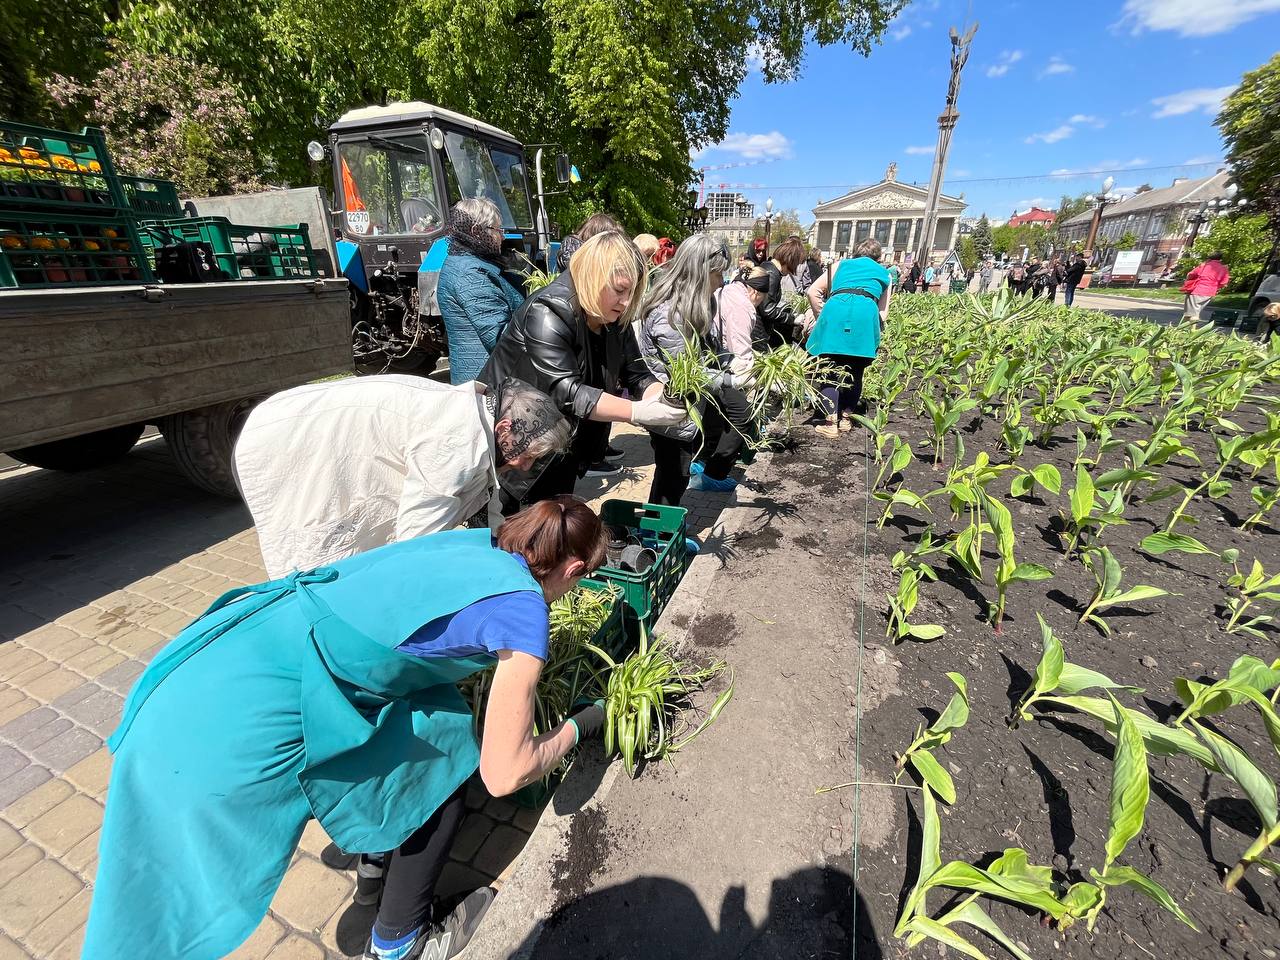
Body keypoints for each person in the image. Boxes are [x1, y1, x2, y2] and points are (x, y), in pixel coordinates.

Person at [83, 498, 610, 960]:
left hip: (221, 656)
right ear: (574, 568)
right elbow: (505, 772)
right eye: (581, 581)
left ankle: (374, 868)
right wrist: (580, 725)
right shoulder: (523, 610)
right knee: (440, 772)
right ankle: (400, 944)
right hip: (247, 713)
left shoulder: (477, 542)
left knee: (429, 726)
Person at [235, 375, 572, 579]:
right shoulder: (453, 444)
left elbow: (486, 500)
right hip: (289, 444)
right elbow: (417, 543)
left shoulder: (480, 417)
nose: (525, 467)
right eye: (527, 455)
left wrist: (503, 550)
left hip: (309, 428)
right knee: (314, 560)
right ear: (506, 428)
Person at [480, 231, 687, 503]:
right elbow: (567, 392)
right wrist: (637, 412)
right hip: (515, 449)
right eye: (619, 290)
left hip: (561, 445)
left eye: (632, 292)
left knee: (552, 525)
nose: (626, 302)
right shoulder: (548, 311)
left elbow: (637, 373)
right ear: (594, 276)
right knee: (509, 529)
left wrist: (659, 398)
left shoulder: (612, 318)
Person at [636, 235, 751, 505]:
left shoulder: (693, 305)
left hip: (683, 410)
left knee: (675, 474)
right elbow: (687, 373)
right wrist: (732, 380)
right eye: (717, 274)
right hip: (670, 409)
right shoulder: (671, 315)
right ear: (700, 273)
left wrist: (728, 362)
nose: (721, 281)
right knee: (672, 476)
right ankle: (658, 536)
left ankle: (660, 530)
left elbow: (702, 354)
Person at [805, 237, 891, 438]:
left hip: (835, 314)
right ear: (878, 257)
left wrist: (822, 317)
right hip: (864, 319)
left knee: (829, 371)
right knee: (856, 372)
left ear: (855, 252)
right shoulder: (885, 274)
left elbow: (813, 291)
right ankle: (846, 419)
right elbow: (883, 312)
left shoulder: (839, 265)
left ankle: (830, 423)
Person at [436, 198, 525, 385]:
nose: (503, 236)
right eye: (497, 230)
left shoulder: (469, 262)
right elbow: (500, 337)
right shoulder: (469, 273)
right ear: (476, 231)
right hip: (486, 386)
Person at [758, 235, 806, 344]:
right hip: (759, 333)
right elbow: (768, 310)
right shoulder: (772, 274)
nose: (794, 270)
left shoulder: (767, 267)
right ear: (790, 260)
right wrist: (792, 319)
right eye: (796, 264)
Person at [1181, 251, 1231, 323]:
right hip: (1210, 292)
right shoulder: (1223, 268)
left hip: (1197, 290)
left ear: (1209, 258)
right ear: (1220, 259)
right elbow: (1224, 282)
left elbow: (1190, 274)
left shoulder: (1204, 265)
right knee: (1194, 311)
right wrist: (1216, 287)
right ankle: (1183, 328)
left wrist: (1188, 281)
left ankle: (1191, 331)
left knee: (1192, 313)